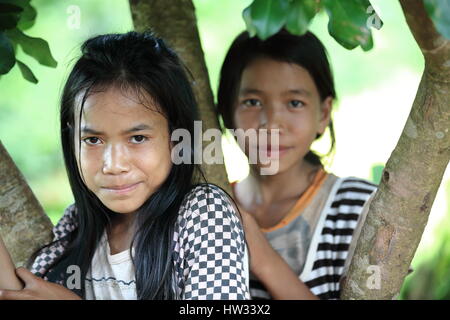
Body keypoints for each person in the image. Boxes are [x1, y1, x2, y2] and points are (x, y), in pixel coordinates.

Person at [0, 31, 249, 300]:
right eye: (93, 139)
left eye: (138, 138)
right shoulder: (75, 225)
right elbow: (22, 295)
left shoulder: (203, 212)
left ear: (177, 139)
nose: (114, 165)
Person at [216, 29, 377, 300]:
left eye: (294, 103)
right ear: (227, 113)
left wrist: (261, 254)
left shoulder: (360, 208)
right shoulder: (203, 209)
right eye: (252, 102)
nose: (272, 123)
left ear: (323, 114)